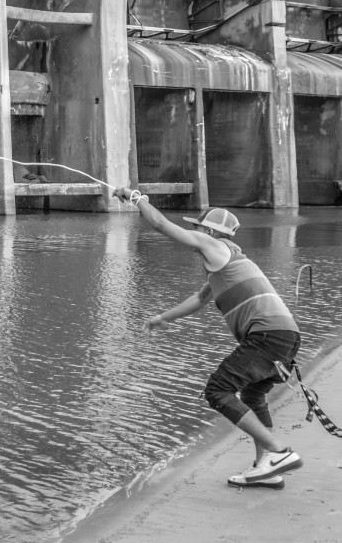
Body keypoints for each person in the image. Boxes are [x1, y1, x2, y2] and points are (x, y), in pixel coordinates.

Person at [112, 188, 303, 489]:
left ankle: (279, 453)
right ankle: (268, 468)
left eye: (198, 227)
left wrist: (137, 198)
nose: (194, 232)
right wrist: (163, 318)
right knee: (253, 396)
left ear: (211, 232)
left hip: (267, 335)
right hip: (285, 336)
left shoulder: (214, 246)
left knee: (218, 391)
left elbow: (162, 225)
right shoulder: (226, 265)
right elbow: (200, 299)